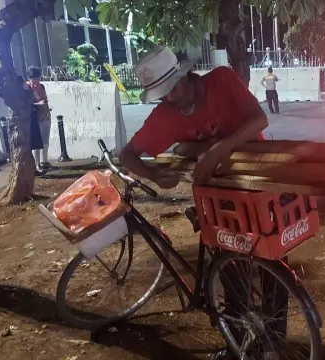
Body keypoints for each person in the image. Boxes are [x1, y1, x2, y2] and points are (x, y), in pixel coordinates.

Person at [118, 46, 284, 360]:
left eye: (173, 89)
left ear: (186, 75)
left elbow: (258, 119)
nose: (169, 99)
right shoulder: (164, 115)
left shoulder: (221, 81)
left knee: (271, 261)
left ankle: (276, 344)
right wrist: (154, 175)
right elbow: (126, 155)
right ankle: (239, 346)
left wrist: (219, 149)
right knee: (231, 269)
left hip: (257, 185)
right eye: (161, 94)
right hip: (218, 198)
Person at [27, 66, 52, 173]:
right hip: (36, 118)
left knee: (45, 141)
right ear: (30, 78)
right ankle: (37, 164)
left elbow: (45, 98)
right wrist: (38, 104)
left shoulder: (41, 87)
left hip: (45, 116)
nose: (37, 81)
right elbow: (27, 104)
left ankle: (44, 161)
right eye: (35, 79)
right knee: (37, 143)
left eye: (38, 78)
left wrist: (47, 109)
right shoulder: (27, 88)